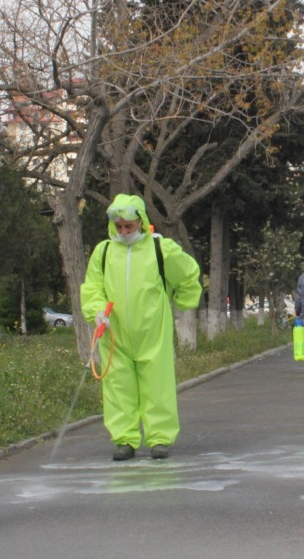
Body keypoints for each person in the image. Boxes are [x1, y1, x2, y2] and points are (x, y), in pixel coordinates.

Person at [81, 194, 201, 461]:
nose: (124, 232)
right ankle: (124, 440)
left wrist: (184, 302)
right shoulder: (103, 252)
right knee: (117, 387)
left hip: (153, 331)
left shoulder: (161, 248)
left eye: (129, 226)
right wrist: (97, 311)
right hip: (115, 334)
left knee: (157, 385)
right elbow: (92, 287)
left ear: (141, 221)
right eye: (119, 227)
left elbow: (188, 274)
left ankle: (159, 438)